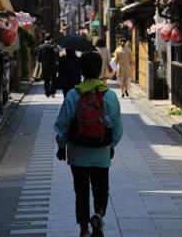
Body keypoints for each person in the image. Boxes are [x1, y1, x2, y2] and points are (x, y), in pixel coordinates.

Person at [54, 52, 123, 237]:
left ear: (81, 70)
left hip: (77, 153)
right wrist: (111, 145)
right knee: (101, 188)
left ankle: (84, 229)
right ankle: (99, 214)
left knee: (81, 192)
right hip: (101, 153)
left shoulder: (72, 95)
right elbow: (117, 128)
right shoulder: (109, 96)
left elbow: (61, 125)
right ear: (100, 69)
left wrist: (62, 146)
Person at [36, 33, 59, 97]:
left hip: (44, 66)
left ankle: (47, 92)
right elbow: (57, 55)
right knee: (54, 79)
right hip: (53, 65)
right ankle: (53, 92)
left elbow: (39, 58)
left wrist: (42, 61)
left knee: (46, 80)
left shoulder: (41, 47)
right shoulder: (54, 46)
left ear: (44, 39)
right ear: (51, 39)